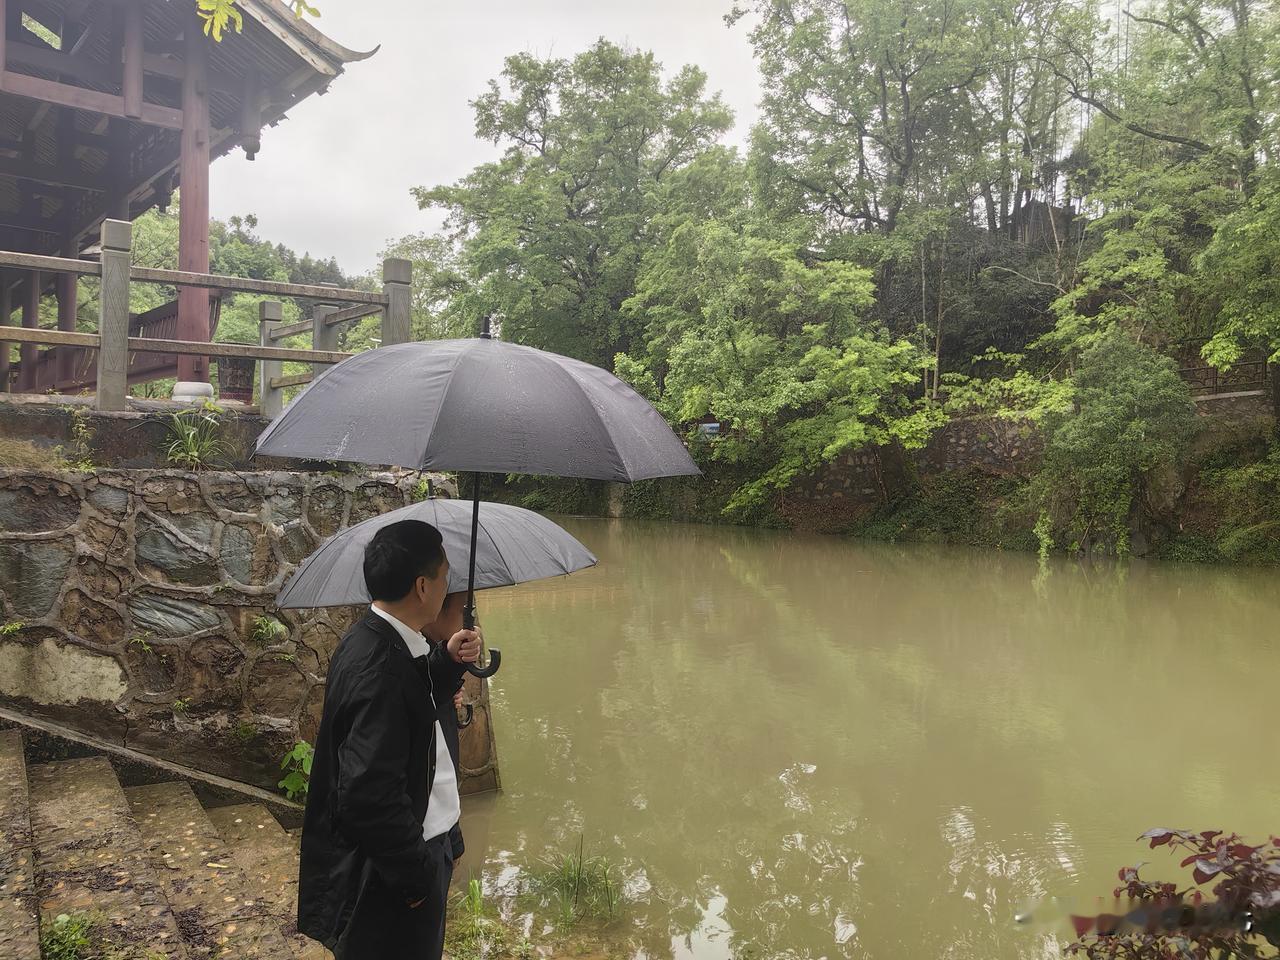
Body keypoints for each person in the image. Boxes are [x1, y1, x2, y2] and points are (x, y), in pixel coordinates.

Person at [297, 519, 481, 960]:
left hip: (407, 853)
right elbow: (366, 795)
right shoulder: (381, 669)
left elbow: (407, 713)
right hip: (390, 876)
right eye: (444, 576)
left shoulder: (379, 642)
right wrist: (415, 877)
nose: (446, 587)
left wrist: (447, 661)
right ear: (422, 586)